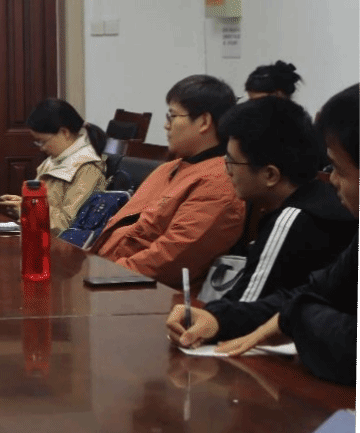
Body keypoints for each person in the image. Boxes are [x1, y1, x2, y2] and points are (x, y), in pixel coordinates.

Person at [168, 84, 359, 386]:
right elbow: (309, 294)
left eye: (338, 169)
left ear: (271, 174)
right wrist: (218, 318)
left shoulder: (296, 217)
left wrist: (301, 316)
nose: (333, 180)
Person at [93, 75, 245, 289]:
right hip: (109, 272)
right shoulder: (168, 168)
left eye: (172, 116)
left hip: (143, 291)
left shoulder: (220, 183)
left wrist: (103, 274)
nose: (166, 125)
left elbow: (171, 259)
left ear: (204, 122)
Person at [200, 96, 353, 303]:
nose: (228, 171)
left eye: (233, 162)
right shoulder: (319, 198)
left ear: (270, 175)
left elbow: (246, 303)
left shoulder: (292, 220)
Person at [0, 99, 108, 233]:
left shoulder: (87, 168)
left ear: (64, 132)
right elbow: (46, 205)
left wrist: (27, 209)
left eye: (42, 141)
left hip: (60, 243)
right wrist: (22, 203)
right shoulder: (54, 160)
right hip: (41, 235)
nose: (41, 148)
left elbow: (67, 224)